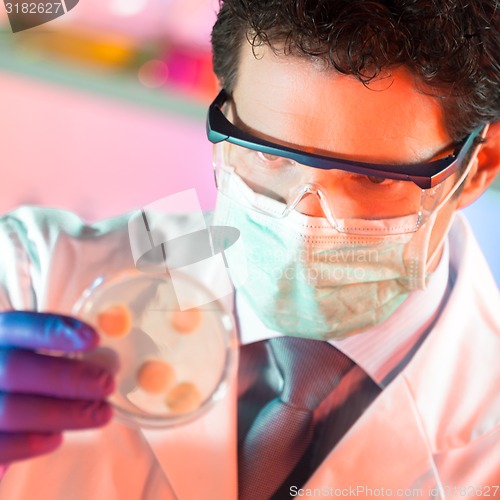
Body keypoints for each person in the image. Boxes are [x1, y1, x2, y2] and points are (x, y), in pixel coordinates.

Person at [0, 1, 499, 498]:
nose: (305, 223)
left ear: (480, 165)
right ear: (225, 109)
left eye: (372, 176)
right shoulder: (34, 278)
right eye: (266, 152)